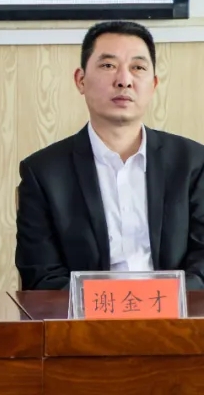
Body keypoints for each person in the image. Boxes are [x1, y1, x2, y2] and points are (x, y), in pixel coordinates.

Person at [16, 20, 204, 290]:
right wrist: (104, 307)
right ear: (81, 80)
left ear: (153, 84)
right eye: (108, 65)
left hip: (174, 313)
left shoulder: (193, 162)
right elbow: (42, 275)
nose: (124, 80)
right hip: (88, 314)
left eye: (138, 68)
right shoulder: (44, 173)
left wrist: (164, 302)